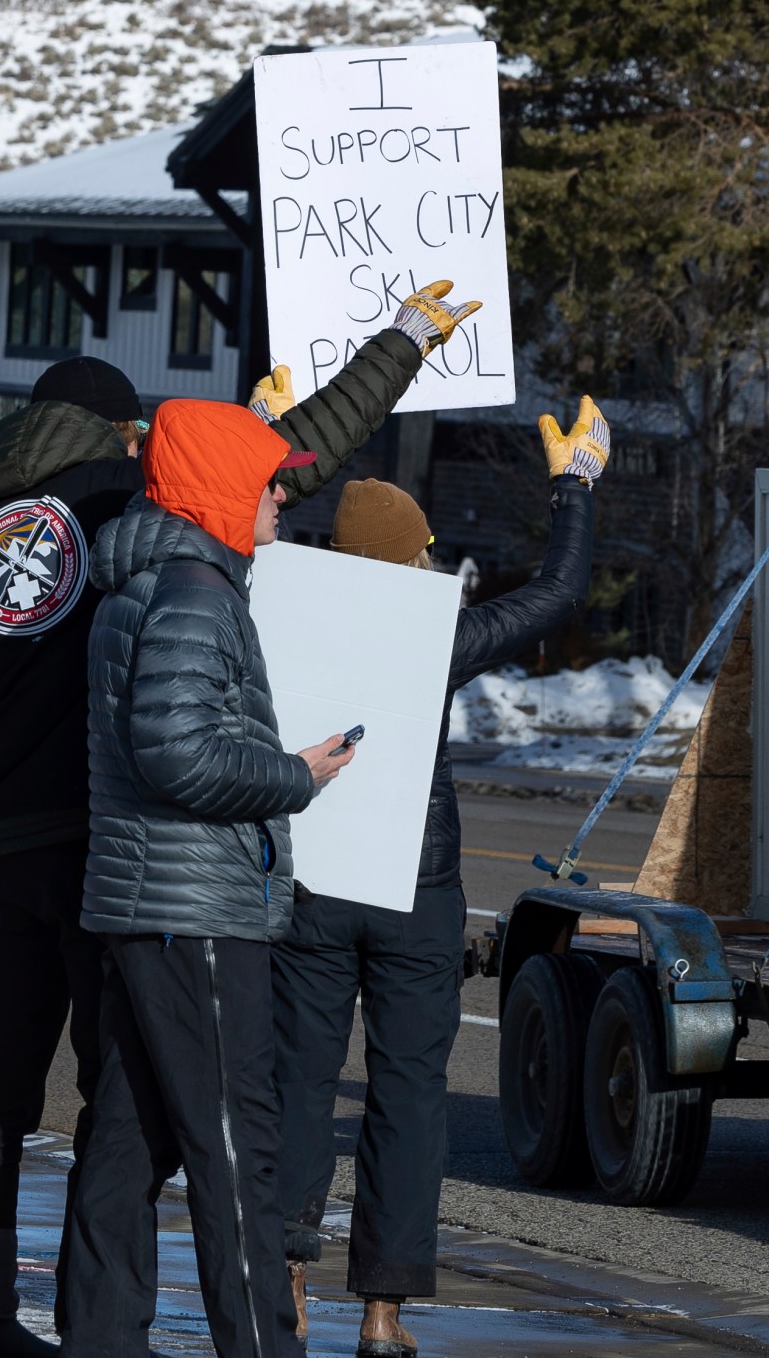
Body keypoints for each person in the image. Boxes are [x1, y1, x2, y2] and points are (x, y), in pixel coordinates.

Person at [0, 282, 479, 1357]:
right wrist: (401, 343)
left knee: (1, 1085)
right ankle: (119, 1324)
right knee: (136, 1100)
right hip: (122, 846)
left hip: (11, 854)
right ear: (113, 433)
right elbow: (299, 446)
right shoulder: (129, 506)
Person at [277, 399, 610, 1355]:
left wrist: (265, 435)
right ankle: (383, 1310)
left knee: (299, 1080)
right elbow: (555, 596)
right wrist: (574, 488)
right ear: (414, 554)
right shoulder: (432, 633)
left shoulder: (284, 610)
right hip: (418, 890)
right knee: (410, 1092)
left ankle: (288, 1276)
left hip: (314, 880)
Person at [60, 398, 360, 1358]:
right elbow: (175, 751)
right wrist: (294, 776)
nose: (283, 495)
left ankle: (99, 1341)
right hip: (195, 912)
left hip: (145, 904)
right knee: (238, 1153)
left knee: (127, 1142)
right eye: (270, 478)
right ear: (222, 488)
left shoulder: (147, 578)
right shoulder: (194, 589)